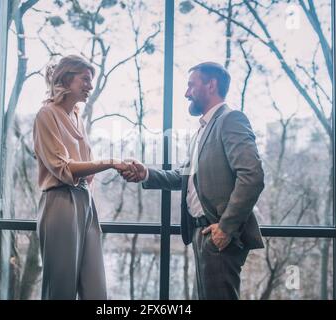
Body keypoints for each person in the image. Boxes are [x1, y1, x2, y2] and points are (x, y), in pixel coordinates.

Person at [121, 62, 265, 299]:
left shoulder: (231, 120)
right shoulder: (202, 130)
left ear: (211, 85)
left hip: (220, 234)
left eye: (191, 85)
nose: (187, 93)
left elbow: (252, 176)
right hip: (204, 233)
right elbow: (185, 177)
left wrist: (225, 228)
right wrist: (145, 173)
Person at [33, 55, 135, 299]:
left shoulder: (77, 116)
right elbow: (63, 168)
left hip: (85, 202)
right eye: (85, 79)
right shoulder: (46, 115)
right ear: (67, 79)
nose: (90, 85)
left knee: (95, 288)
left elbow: (83, 167)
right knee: (60, 288)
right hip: (59, 203)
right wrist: (109, 162)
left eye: (91, 81)